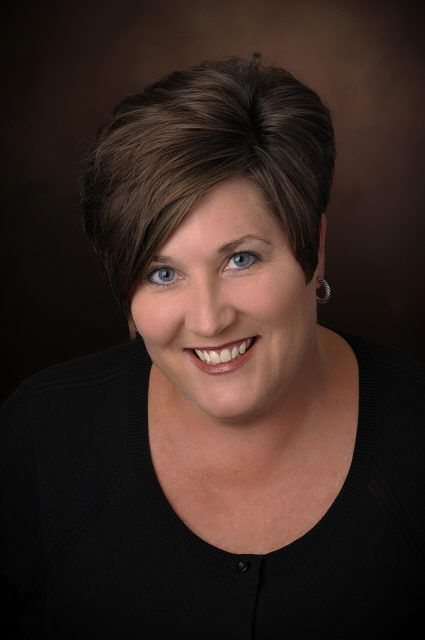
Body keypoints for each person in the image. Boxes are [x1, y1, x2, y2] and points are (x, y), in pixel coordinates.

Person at [1, 53, 424, 640]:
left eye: (240, 258)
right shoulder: (40, 434)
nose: (207, 320)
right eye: (161, 273)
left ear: (314, 247)